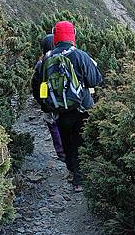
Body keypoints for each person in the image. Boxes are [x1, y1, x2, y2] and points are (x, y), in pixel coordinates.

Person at [32, 21, 103, 192]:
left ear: (55, 36)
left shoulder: (46, 58)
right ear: (73, 36)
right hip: (82, 108)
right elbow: (95, 80)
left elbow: (36, 86)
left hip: (59, 110)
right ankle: (79, 180)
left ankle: (71, 170)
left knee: (67, 139)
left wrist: (47, 105)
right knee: (81, 141)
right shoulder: (80, 55)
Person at [31, 34, 66, 162]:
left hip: (49, 103)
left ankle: (61, 153)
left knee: (53, 126)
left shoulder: (41, 63)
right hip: (66, 102)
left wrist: (42, 103)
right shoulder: (64, 59)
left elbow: (36, 86)